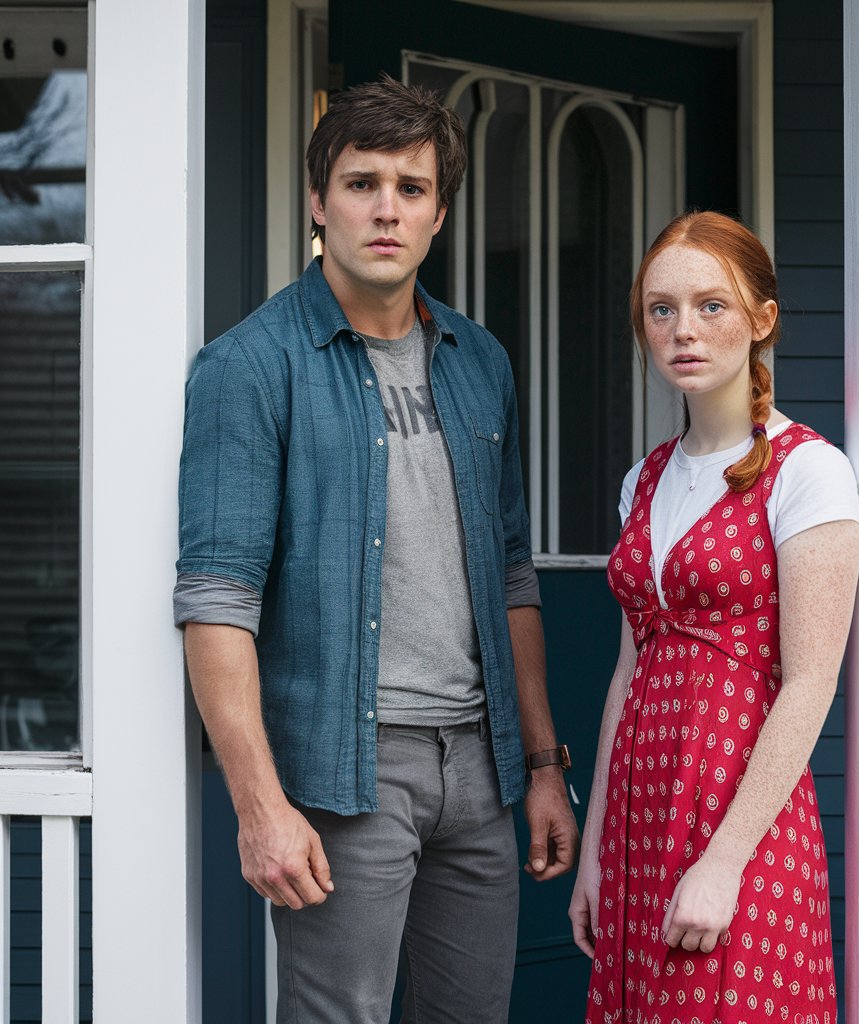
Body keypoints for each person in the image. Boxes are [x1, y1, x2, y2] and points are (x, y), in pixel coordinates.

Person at [175, 75, 578, 1024]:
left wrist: (545, 764)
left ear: (440, 212)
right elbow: (216, 600)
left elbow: (512, 576)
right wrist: (259, 804)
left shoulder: (481, 362)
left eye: (411, 186)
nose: (386, 208)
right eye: (361, 183)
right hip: (344, 774)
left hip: (478, 769)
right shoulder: (249, 366)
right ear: (319, 204)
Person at [568, 211, 859, 1024]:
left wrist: (724, 861)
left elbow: (810, 683)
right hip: (639, 809)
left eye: (710, 306)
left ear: (762, 320)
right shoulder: (645, 479)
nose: (682, 330)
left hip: (739, 815)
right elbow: (629, 674)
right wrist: (595, 853)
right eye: (660, 310)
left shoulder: (810, 472)